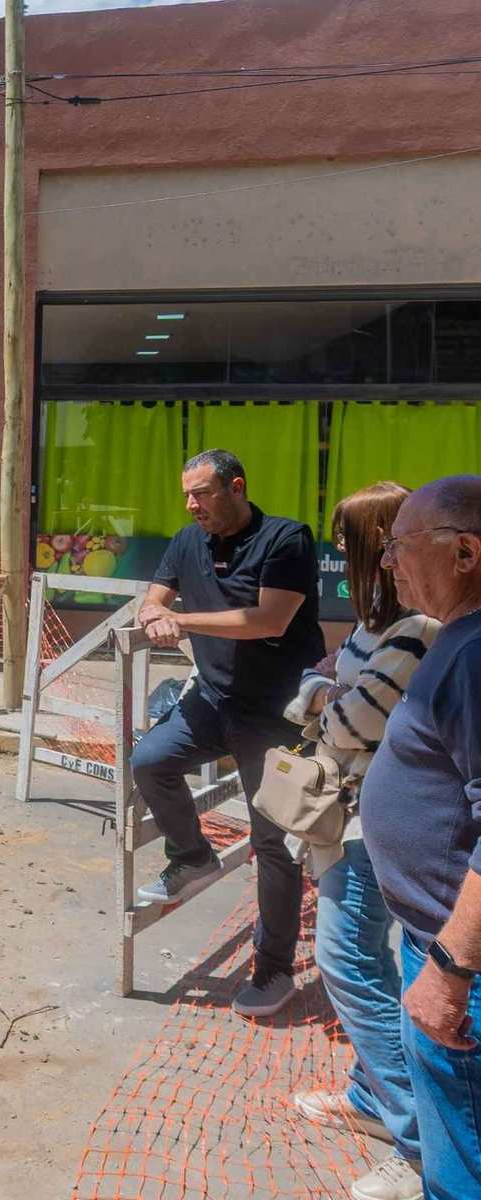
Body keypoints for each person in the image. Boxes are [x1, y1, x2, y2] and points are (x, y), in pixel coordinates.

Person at [131, 449, 324, 1018]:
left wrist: (180, 621)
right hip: (213, 701)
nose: (192, 505)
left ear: (236, 486)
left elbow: (269, 619)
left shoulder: (286, 539)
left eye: (202, 493)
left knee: (273, 845)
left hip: (277, 715)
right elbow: (154, 597)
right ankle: (192, 855)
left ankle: (273, 969)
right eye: (186, 495)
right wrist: (153, 614)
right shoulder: (186, 540)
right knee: (150, 760)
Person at [286, 483, 438, 1200]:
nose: (339, 551)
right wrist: (326, 696)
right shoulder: (377, 625)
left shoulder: (418, 628)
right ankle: (372, 1096)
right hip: (347, 811)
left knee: (346, 960)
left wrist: (323, 699)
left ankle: (418, 1142)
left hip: (368, 820)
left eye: (348, 539)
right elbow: (321, 687)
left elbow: (350, 722)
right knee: (366, 958)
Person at [358, 475, 481, 1200]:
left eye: (399, 545)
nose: (387, 563)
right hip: (440, 947)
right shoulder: (458, 640)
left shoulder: (474, 653)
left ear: (465, 553)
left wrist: (448, 969)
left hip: (458, 965)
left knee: (462, 1169)